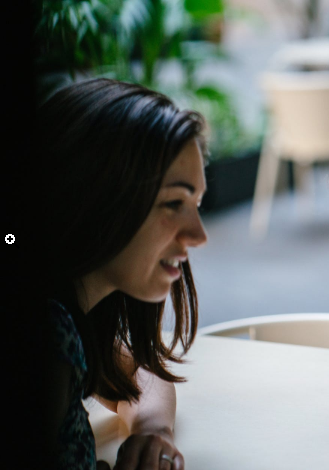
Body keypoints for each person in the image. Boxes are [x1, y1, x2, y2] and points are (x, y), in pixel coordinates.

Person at [35, 78, 208, 469]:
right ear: (99, 197)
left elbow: (138, 374)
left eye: (196, 203)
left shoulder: (74, 321)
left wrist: (152, 433)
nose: (199, 235)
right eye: (173, 203)